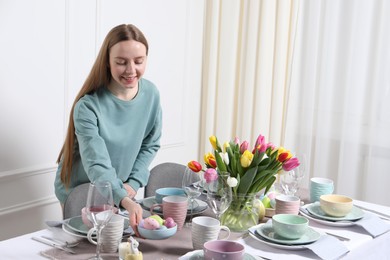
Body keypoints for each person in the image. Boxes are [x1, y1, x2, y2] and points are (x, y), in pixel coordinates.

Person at [54, 24, 162, 235]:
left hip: (117, 188)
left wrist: (132, 183)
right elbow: (97, 162)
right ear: (107, 62)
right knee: (87, 248)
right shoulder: (87, 106)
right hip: (81, 191)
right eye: (121, 62)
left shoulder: (151, 94)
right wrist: (122, 196)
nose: (131, 70)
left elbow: (150, 143)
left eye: (138, 61)